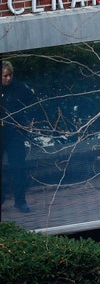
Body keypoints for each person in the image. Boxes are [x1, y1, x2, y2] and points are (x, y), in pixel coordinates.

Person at [1, 61, 36, 213]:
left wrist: (27, 123)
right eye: (4, 76)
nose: (8, 78)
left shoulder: (21, 87)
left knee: (18, 168)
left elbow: (32, 104)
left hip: (15, 132)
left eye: (10, 75)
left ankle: (20, 201)